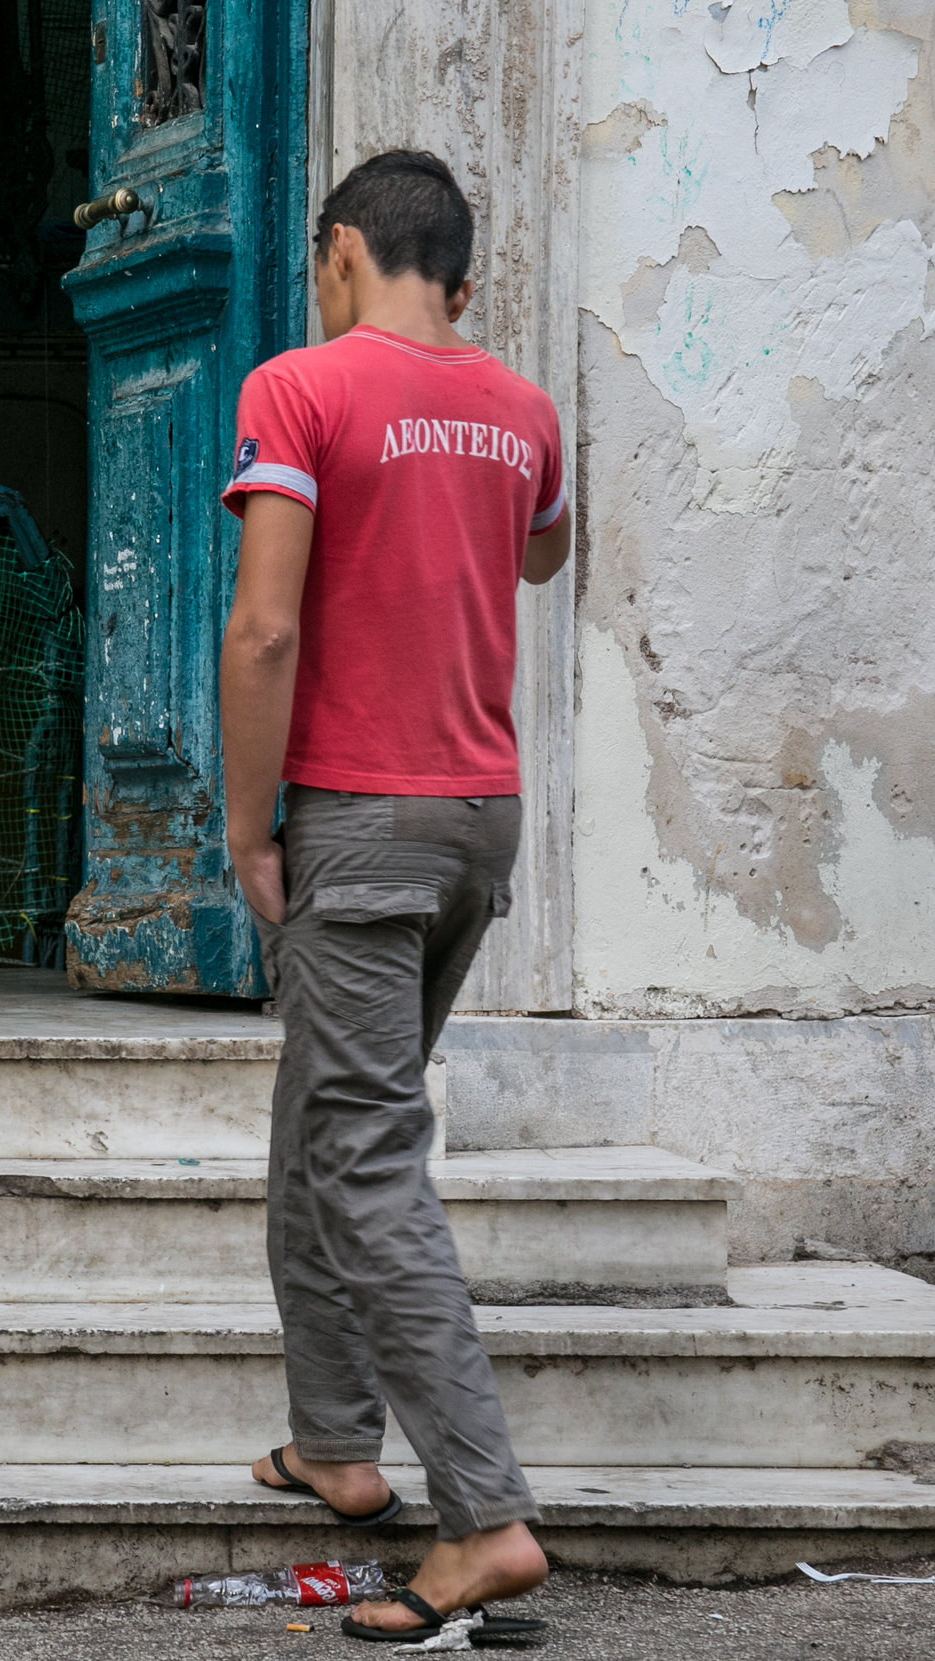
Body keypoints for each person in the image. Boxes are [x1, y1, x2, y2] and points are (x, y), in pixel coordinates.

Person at [216, 150, 572, 1644]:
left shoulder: (299, 388)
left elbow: (267, 628)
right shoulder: (527, 411)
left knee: (362, 1155)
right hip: (476, 820)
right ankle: (338, 1445)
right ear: (467, 282)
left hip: (359, 822)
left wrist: (249, 831)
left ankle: (483, 1519)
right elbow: (545, 552)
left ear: (340, 251)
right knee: (323, 1118)